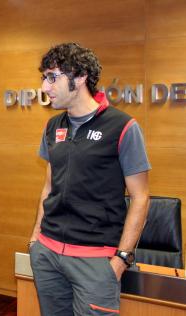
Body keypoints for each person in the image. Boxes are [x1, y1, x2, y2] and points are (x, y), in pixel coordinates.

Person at [29, 43, 151, 316]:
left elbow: (141, 198)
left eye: (52, 77)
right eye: (43, 78)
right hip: (47, 253)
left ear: (80, 76)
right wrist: (36, 238)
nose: (45, 88)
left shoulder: (123, 127)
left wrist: (121, 259)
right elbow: (49, 185)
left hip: (95, 260)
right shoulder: (53, 126)